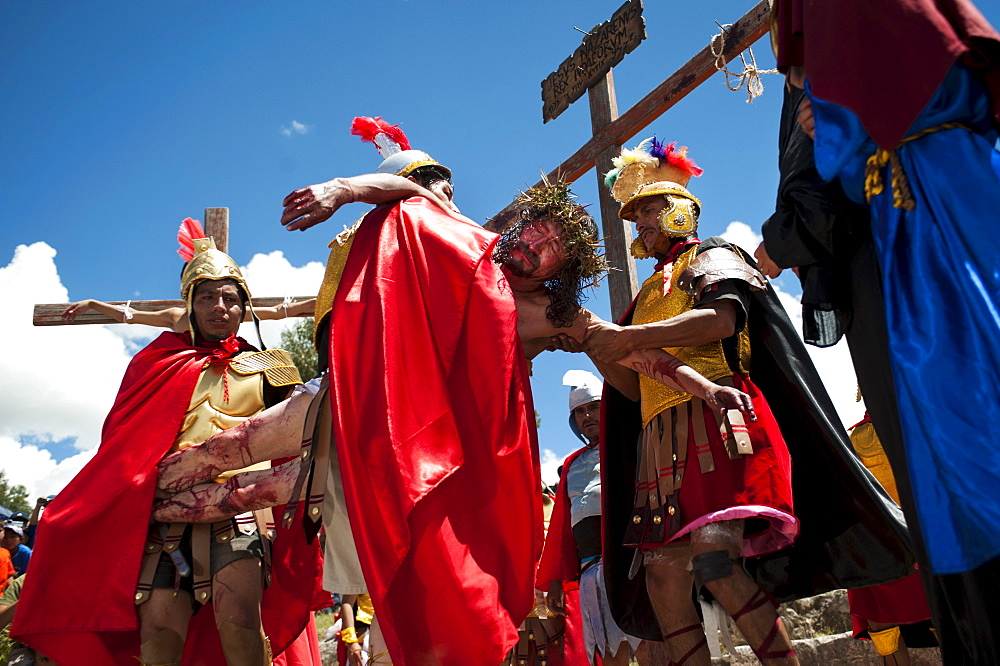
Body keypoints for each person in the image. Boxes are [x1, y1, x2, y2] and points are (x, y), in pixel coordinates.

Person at [151, 119, 757, 664]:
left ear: (557, 272)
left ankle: (157, 514)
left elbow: (631, 350)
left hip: (427, 452)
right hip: (355, 402)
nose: (530, 250)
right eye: (532, 235)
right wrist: (341, 189)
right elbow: (412, 193)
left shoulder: (551, 313)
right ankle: (134, 505)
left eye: (549, 250)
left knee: (247, 495)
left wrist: (702, 385)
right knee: (223, 453)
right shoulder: (464, 245)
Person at [566, 137, 915, 665]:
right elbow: (635, 388)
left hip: (720, 421)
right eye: (636, 218)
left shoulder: (716, 256)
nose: (642, 226)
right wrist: (600, 344)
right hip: (660, 444)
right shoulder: (642, 299)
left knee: (715, 564)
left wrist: (631, 337)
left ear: (679, 209)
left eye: (650, 212)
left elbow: (722, 319)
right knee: (663, 582)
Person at [770, 2, 1000, 661]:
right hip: (897, 259)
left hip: (930, 257)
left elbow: (840, 170)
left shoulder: (936, 144)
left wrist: (777, 242)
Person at [11, 233, 322, 665]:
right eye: (208, 297)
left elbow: (304, 436)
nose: (220, 307)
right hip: (163, 514)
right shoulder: (159, 364)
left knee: (240, 629)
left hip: (242, 512)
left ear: (243, 306)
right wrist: (110, 310)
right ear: (190, 306)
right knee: (158, 640)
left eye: (230, 299)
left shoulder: (273, 366)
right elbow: (128, 446)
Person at [537, 371, 644, 666]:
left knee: (649, 646)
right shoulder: (570, 464)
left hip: (631, 563)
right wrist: (556, 580)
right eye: (580, 412)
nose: (587, 416)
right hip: (589, 571)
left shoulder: (629, 445)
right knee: (608, 654)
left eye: (593, 407)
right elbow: (561, 530)